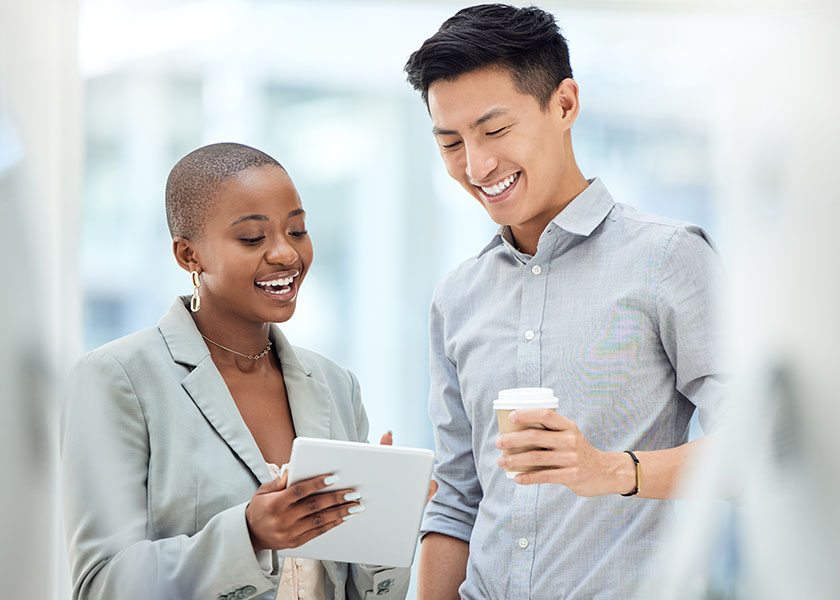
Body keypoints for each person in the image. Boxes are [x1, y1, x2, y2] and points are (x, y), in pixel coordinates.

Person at [404, 4, 727, 599]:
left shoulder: (669, 257)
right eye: (451, 143)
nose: (477, 166)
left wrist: (611, 471)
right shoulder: (457, 296)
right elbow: (455, 500)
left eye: (494, 131)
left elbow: (758, 447)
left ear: (565, 105)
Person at [60, 143, 409, 600]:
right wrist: (249, 535)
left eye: (297, 230)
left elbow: (371, 591)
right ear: (189, 256)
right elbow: (101, 584)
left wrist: (385, 523)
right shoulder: (115, 378)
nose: (286, 254)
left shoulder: (335, 384)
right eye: (252, 238)